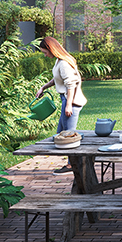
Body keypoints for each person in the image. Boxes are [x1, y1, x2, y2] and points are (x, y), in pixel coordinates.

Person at [36, 36, 87, 175]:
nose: (45, 55)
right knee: (61, 131)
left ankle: (72, 166)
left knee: (68, 135)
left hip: (71, 100)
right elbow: (57, 78)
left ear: (51, 49)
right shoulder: (60, 61)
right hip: (67, 99)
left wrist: (68, 105)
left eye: (45, 52)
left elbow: (71, 85)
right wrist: (43, 87)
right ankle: (74, 162)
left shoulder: (64, 63)